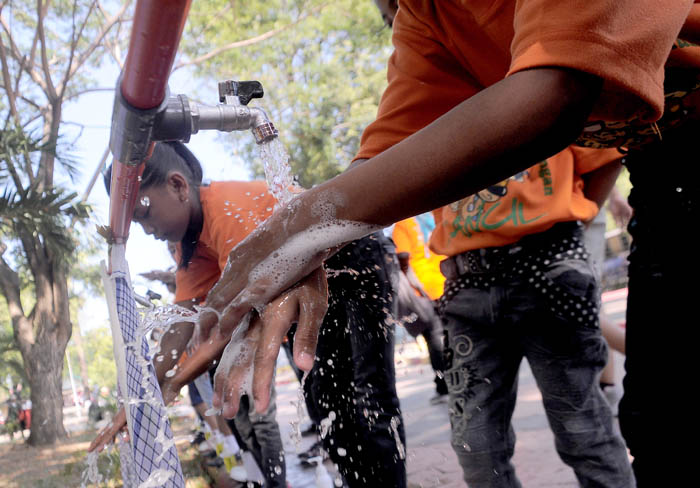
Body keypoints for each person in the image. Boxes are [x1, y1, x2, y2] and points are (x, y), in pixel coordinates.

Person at [195, 3, 698, 485]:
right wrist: (311, 241)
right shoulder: (427, 16)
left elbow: (557, 91)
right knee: (640, 424)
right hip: (490, 271)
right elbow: (381, 164)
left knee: (589, 429)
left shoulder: (534, 72)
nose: (395, 23)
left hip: (556, 256)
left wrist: (305, 225)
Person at [95, 141, 406, 487]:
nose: (147, 231)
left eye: (145, 214)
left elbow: (234, 324)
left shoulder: (226, 212)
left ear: (178, 185)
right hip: (305, 289)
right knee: (326, 405)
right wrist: (141, 395)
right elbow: (178, 332)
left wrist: (174, 384)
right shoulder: (191, 248)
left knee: (368, 398)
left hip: (353, 262)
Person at [391, 213, 448, 403]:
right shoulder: (436, 214)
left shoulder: (403, 223)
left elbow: (402, 255)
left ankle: (444, 386)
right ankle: (455, 379)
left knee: (434, 338)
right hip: (446, 281)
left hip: (423, 288)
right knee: (448, 334)